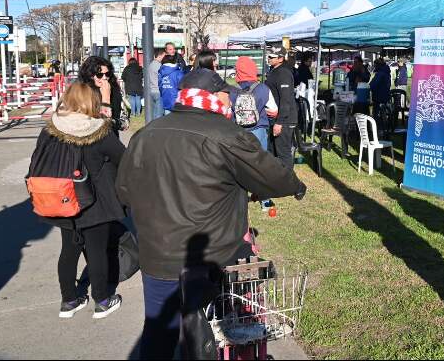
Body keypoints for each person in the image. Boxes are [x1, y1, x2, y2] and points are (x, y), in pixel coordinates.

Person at [116, 68, 306, 359]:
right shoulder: (225, 134)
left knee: (158, 332)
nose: (229, 101)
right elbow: (273, 176)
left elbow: (125, 191)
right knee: (207, 334)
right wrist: (296, 185)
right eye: (224, 95)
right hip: (211, 256)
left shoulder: (146, 134)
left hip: (157, 254)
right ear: (211, 96)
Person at [31, 82, 126, 319]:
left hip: (61, 198)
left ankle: (69, 301)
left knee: (68, 251)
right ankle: (102, 300)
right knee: (97, 252)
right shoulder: (99, 131)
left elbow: (37, 159)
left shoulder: (51, 128)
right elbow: (123, 158)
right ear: (91, 101)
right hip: (95, 201)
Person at [230, 56, 278, 150]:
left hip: (237, 131)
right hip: (258, 130)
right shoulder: (263, 88)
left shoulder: (231, 90)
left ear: (238, 71)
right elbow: (274, 111)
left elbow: (227, 112)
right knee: (260, 161)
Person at [265, 52, 298, 169]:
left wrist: (279, 122)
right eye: (268, 56)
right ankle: (276, 179)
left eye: (271, 57)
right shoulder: (273, 71)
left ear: (280, 59)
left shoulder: (284, 73)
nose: (268, 58)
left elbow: (286, 100)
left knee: (283, 153)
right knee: (272, 150)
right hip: (274, 118)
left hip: (284, 119)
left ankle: (289, 182)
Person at [79, 56, 123, 135]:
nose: (105, 78)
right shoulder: (83, 93)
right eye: (99, 75)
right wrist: (106, 99)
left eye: (107, 74)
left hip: (111, 137)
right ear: (90, 76)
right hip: (90, 139)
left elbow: (117, 116)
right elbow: (95, 124)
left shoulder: (113, 89)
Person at [370, 58, 392, 126]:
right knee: (383, 113)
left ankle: (377, 127)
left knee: (376, 114)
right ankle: (385, 126)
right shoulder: (386, 72)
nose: (374, 66)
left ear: (378, 65)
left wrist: (369, 87)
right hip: (385, 95)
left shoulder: (380, 73)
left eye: (375, 65)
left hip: (378, 96)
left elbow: (373, 84)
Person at [147, 49, 165, 120]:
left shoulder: (151, 64)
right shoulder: (159, 65)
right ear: (160, 56)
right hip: (158, 91)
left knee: (155, 112)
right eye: (164, 56)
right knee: (159, 113)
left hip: (153, 90)